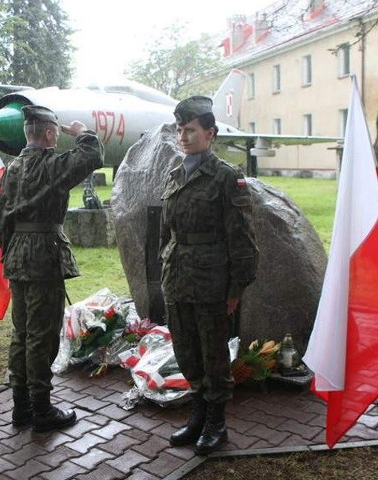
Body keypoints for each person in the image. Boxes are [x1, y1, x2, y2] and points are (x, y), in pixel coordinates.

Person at [0, 105, 104, 433]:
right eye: (55, 133)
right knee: (42, 335)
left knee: (22, 332)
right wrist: (82, 131)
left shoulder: (11, 170)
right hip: (43, 257)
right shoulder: (51, 166)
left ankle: (21, 407)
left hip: (17, 256)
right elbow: (91, 155)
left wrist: (14, 246)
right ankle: (42, 409)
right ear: (50, 134)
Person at [159, 96, 258, 454]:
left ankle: (217, 422)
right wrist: (164, 263)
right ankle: (198, 414)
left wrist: (236, 288)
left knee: (213, 353)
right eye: (180, 130)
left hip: (211, 281)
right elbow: (165, 230)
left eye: (191, 130)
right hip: (178, 277)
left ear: (210, 133)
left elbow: (242, 239)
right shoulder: (174, 175)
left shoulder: (227, 177)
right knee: (186, 350)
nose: (183, 136)